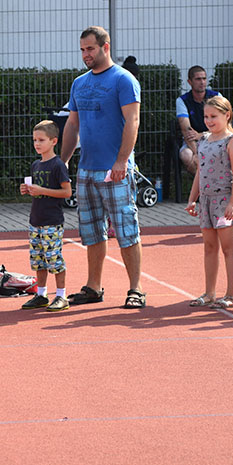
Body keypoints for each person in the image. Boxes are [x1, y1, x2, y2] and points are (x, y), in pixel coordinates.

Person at [60, 26, 145, 309]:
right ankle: (94, 287)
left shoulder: (123, 80)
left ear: (105, 47)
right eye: (82, 49)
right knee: (92, 231)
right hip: (86, 170)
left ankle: (136, 289)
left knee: (126, 228)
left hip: (115, 170)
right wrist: (63, 163)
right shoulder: (79, 83)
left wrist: (121, 160)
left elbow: (132, 121)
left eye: (90, 49)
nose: (85, 54)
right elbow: (73, 124)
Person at [184, 95, 233, 309]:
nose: (209, 120)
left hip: (224, 199)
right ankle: (209, 293)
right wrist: (193, 199)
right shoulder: (203, 141)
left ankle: (232, 293)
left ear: (227, 115)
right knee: (209, 247)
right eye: (206, 116)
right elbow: (200, 172)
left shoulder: (232, 141)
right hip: (206, 201)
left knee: (229, 248)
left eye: (214, 116)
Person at [18, 120, 72, 312]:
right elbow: (38, 191)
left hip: (51, 221)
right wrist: (27, 189)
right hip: (36, 220)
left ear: (54, 141)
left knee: (54, 259)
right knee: (38, 259)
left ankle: (61, 295)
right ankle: (41, 294)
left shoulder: (58, 165)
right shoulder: (36, 165)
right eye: (35, 140)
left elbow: (67, 192)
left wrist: (42, 189)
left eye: (41, 140)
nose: (37, 144)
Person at [175, 65, 219, 175]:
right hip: (194, 143)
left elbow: (222, 127)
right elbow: (187, 131)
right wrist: (197, 153)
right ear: (190, 82)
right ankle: (205, 186)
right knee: (186, 155)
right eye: (198, 79)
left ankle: (211, 186)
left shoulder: (217, 97)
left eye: (204, 79)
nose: (202, 82)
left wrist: (201, 135)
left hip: (216, 139)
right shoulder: (182, 101)